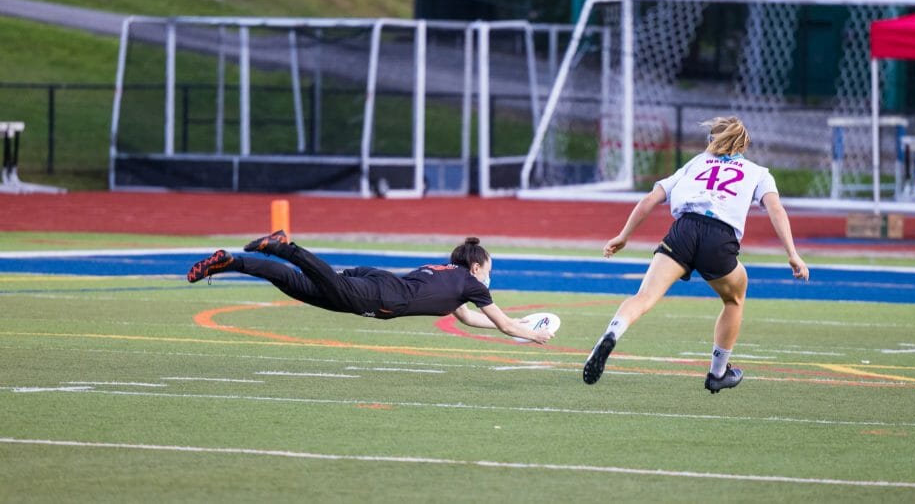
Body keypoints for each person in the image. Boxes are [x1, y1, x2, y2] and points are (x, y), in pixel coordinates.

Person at [583, 116, 809, 393]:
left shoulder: (695, 164)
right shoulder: (758, 172)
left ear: (711, 141)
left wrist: (623, 235)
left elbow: (649, 199)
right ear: (744, 145)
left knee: (644, 296)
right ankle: (717, 373)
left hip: (683, 231)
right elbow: (776, 209)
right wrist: (792, 253)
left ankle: (612, 332)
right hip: (719, 237)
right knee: (734, 298)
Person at [187, 233, 554, 345]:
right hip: (381, 297)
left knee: (295, 285)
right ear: (476, 267)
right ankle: (285, 246)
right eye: (489, 270)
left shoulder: (450, 276)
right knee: (313, 277)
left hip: (376, 282)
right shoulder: (471, 283)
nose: (489, 277)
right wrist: (531, 335)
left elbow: (472, 321)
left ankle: (230, 261)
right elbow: (502, 325)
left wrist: (521, 323)